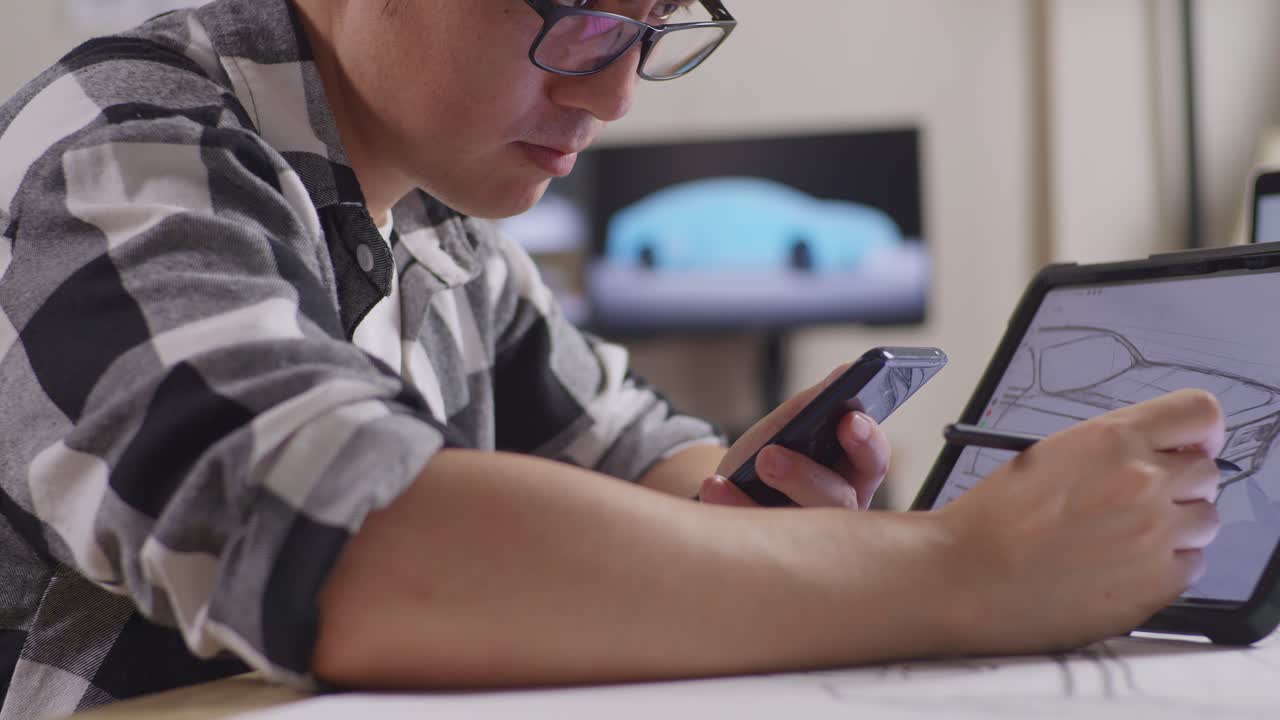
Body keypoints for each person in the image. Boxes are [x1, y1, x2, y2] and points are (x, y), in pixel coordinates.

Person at [0, 0, 1223, 715]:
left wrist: (745, 504)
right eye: (582, 21)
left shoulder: (438, 222)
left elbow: (641, 453)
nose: (621, 94)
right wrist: (959, 568)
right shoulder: (125, 145)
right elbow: (339, 539)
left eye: (653, 27)